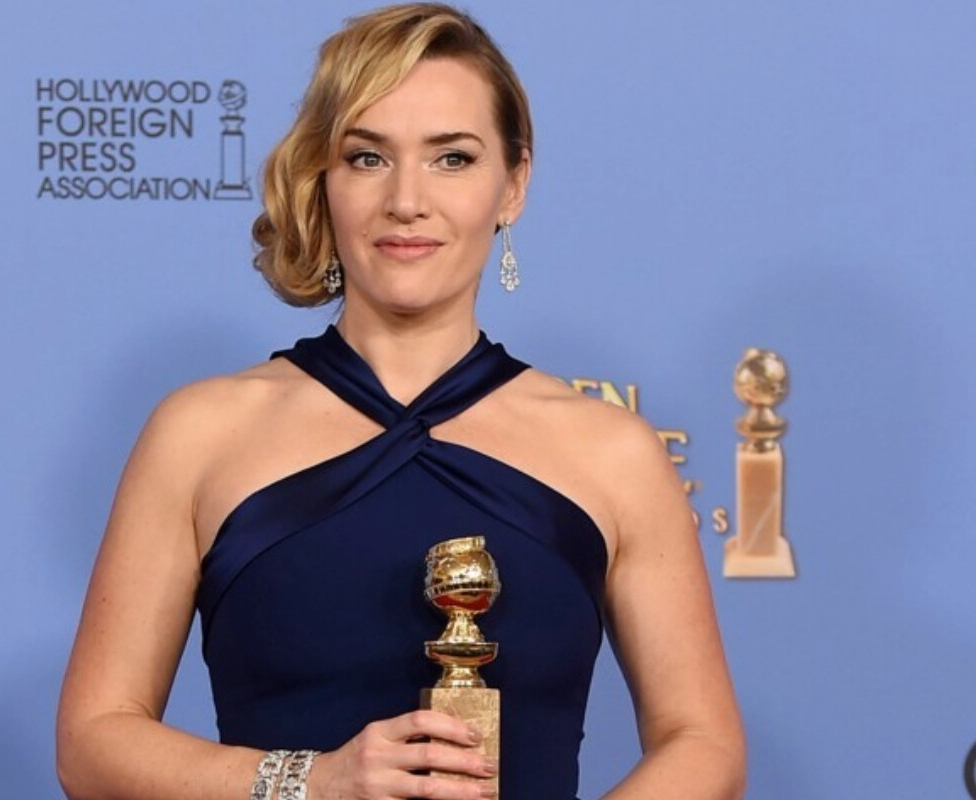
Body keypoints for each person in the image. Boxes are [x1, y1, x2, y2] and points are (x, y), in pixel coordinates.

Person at [56, 4, 746, 799]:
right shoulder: (200, 434)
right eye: (367, 158)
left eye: (452, 158)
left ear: (514, 184)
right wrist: (312, 783)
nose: (407, 200)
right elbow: (92, 741)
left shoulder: (613, 453)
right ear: (323, 179)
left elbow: (705, 743)